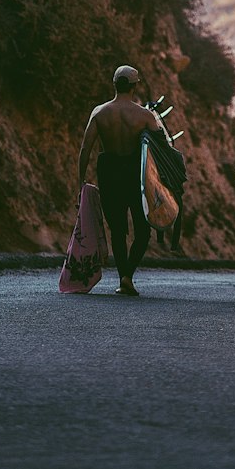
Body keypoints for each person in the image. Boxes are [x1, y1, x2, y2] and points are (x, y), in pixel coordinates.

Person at [78, 65, 161, 296]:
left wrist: (80, 182)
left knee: (117, 229)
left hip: (109, 171)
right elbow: (159, 150)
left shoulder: (100, 113)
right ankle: (127, 276)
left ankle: (124, 277)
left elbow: (86, 149)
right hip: (135, 173)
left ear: (114, 84)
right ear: (135, 86)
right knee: (143, 229)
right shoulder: (145, 116)